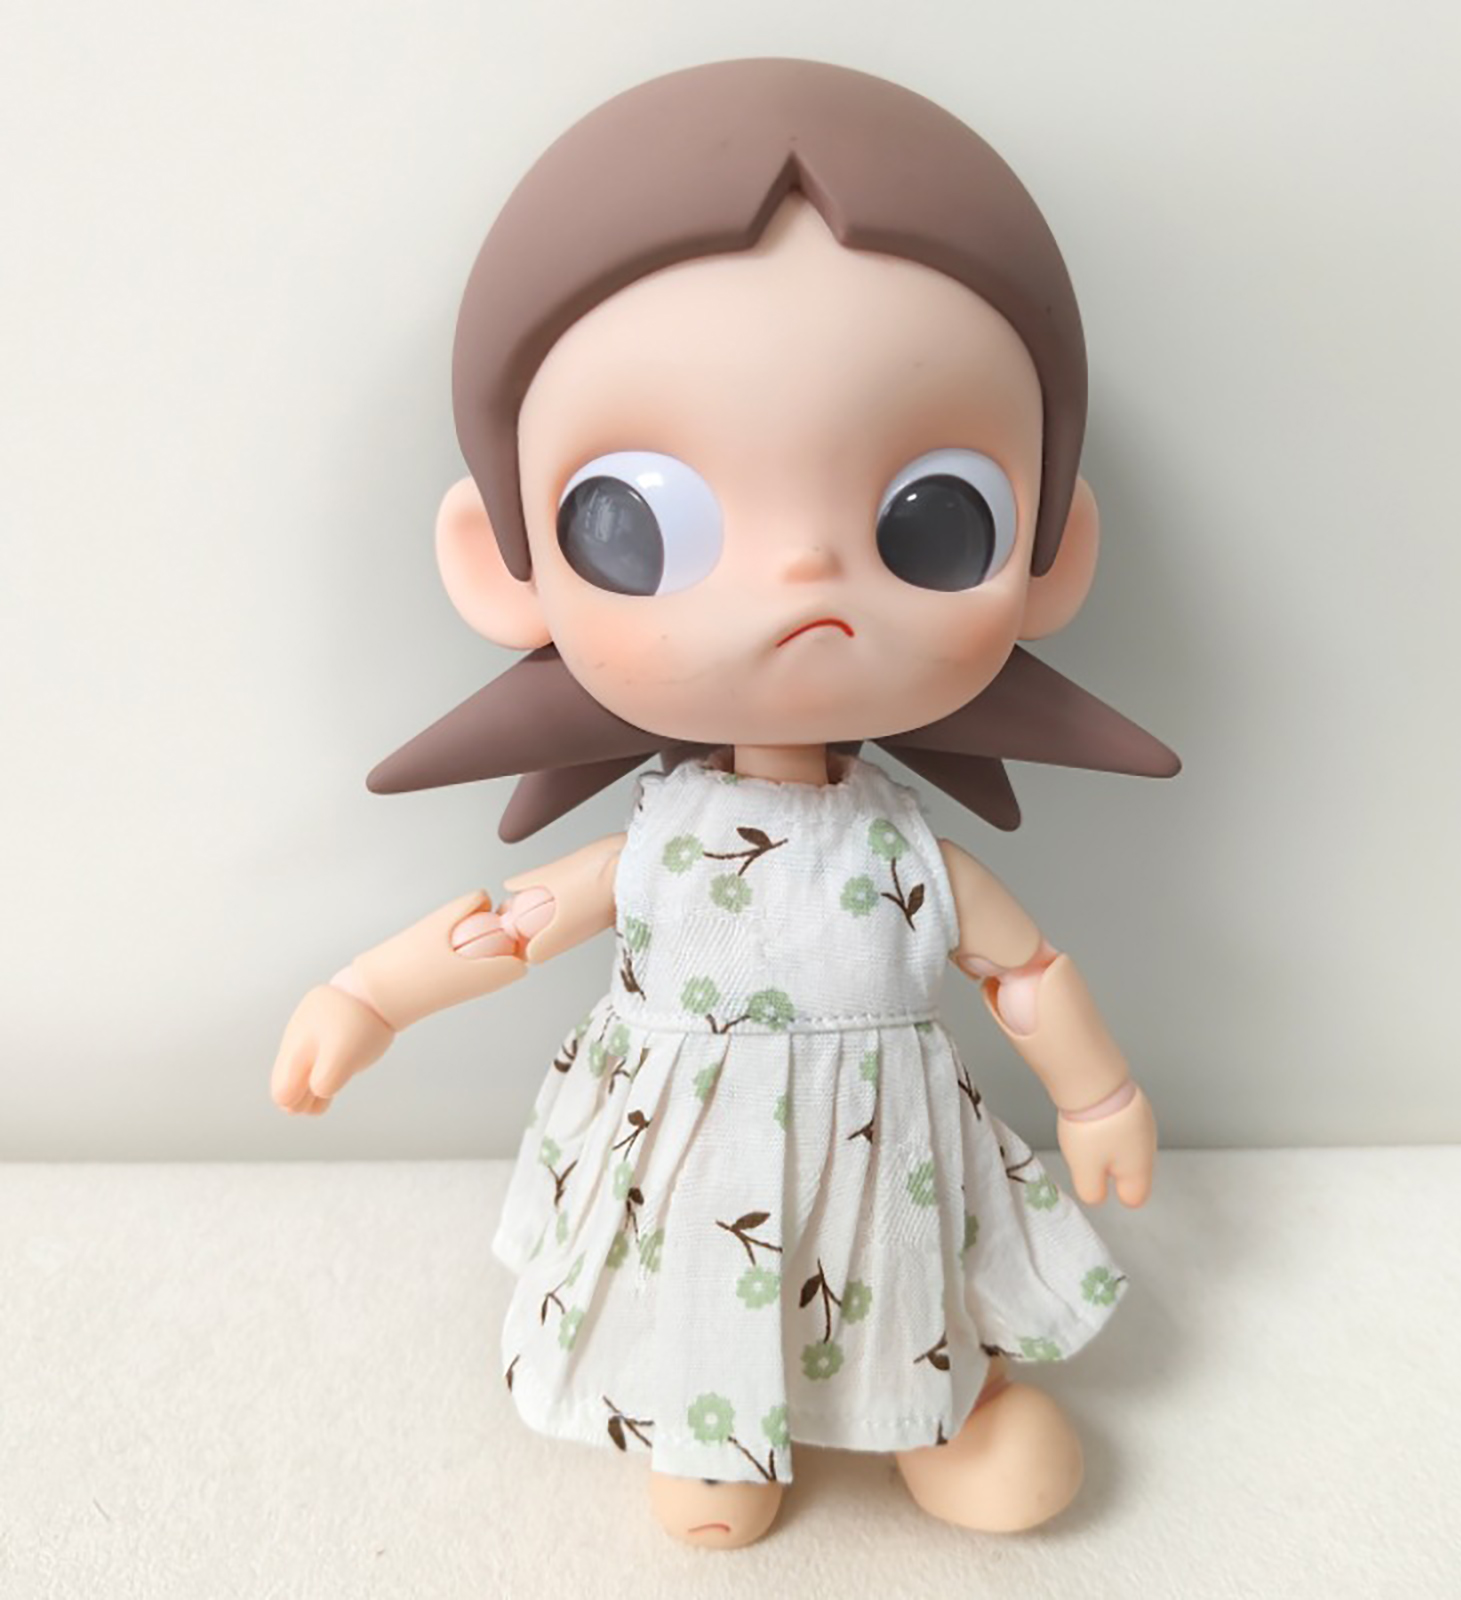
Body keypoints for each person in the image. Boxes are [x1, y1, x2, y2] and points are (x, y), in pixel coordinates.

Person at [271, 58, 1176, 1549]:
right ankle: (715, 1414)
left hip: (886, 1146)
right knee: (707, 1270)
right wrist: (369, 994)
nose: (803, 573)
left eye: (932, 519)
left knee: (899, 1274)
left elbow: (1022, 972)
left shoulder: (907, 850)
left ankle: (940, 1405)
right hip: (697, 1150)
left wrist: (1100, 1094)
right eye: (638, 521)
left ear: (1050, 557)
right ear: (504, 566)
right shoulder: (657, 847)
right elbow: (511, 924)